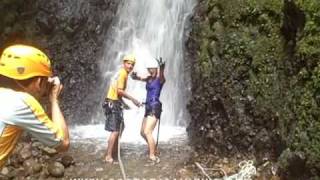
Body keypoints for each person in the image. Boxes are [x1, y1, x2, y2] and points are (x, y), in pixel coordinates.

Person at [0, 44, 70, 168]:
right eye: (45, 80)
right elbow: (63, 143)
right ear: (38, 82)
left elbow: (44, 124)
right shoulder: (22, 102)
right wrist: (54, 99)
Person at [103, 54, 141, 163]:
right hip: (112, 103)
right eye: (128, 63)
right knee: (115, 130)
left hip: (114, 102)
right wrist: (133, 99)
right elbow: (119, 91)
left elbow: (116, 93)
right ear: (124, 63)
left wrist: (124, 104)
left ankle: (113, 150)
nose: (130, 66)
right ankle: (109, 155)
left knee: (121, 127)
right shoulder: (123, 74)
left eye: (132, 64)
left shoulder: (121, 73)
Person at [131, 57, 165, 163]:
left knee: (147, 132)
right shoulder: (149, 78)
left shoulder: (160, 79)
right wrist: (134, 76)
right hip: (148, 106)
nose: (150, 70)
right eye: (148, 69)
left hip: (155, 106)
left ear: (156, 68)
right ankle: (153, 148)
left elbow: (162, 74)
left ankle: (152, 155)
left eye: (152, 68)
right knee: (142, 132)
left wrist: (162, 67)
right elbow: (138, 78)